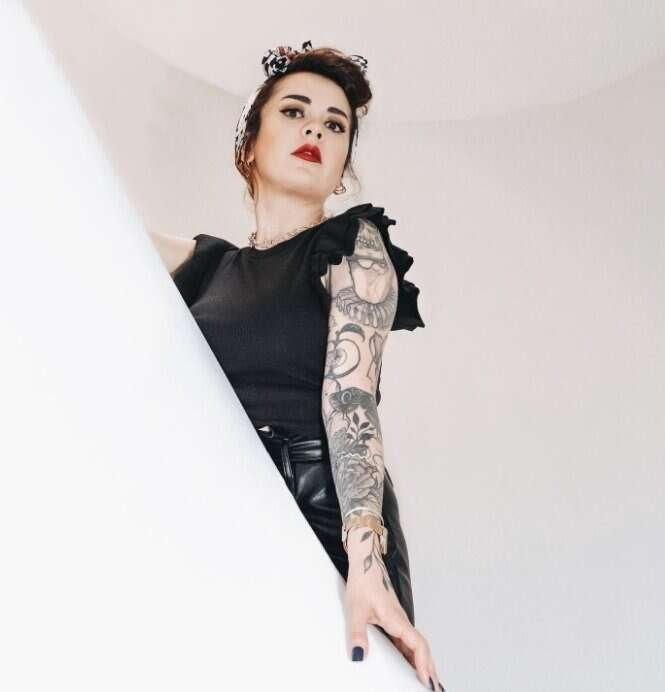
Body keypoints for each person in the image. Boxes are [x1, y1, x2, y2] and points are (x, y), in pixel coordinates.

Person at [150, 41, 444, 692]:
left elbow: (352, 400)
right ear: (249, 144)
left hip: (321, 508)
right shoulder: (207, 266)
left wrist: (365, 564)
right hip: (220, 507)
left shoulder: (351, 247)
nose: (315, 129)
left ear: (341, 170)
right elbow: (84, 218)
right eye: (294, 112)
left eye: (335, 125)